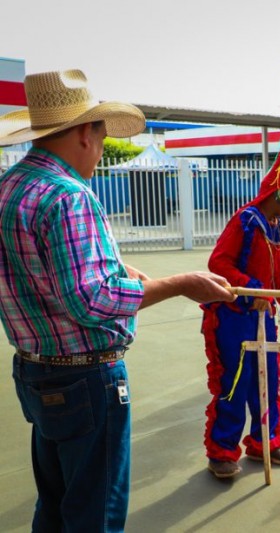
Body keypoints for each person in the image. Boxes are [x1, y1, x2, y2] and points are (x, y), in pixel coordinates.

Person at [0, 69, 236, 532]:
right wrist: (181, 283)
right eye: (103, 135)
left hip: (35, 370)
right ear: (85, 133)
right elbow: (93, 300)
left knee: (54, 504)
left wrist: (115, 267)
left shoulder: (11, 186)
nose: (102, 146)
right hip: (85, 378)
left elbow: (34, 266)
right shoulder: (69, 196)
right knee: (94, 515)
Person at [202, 116, 280, 479]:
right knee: (235, 384)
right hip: (233, 317)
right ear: (279, 193)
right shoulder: (245, 220)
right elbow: (218, 264)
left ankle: (265, 442)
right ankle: (222, 451)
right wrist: (250, 290)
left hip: (263, 317)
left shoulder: (278, 227)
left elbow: (279, 278)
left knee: (266, 383)